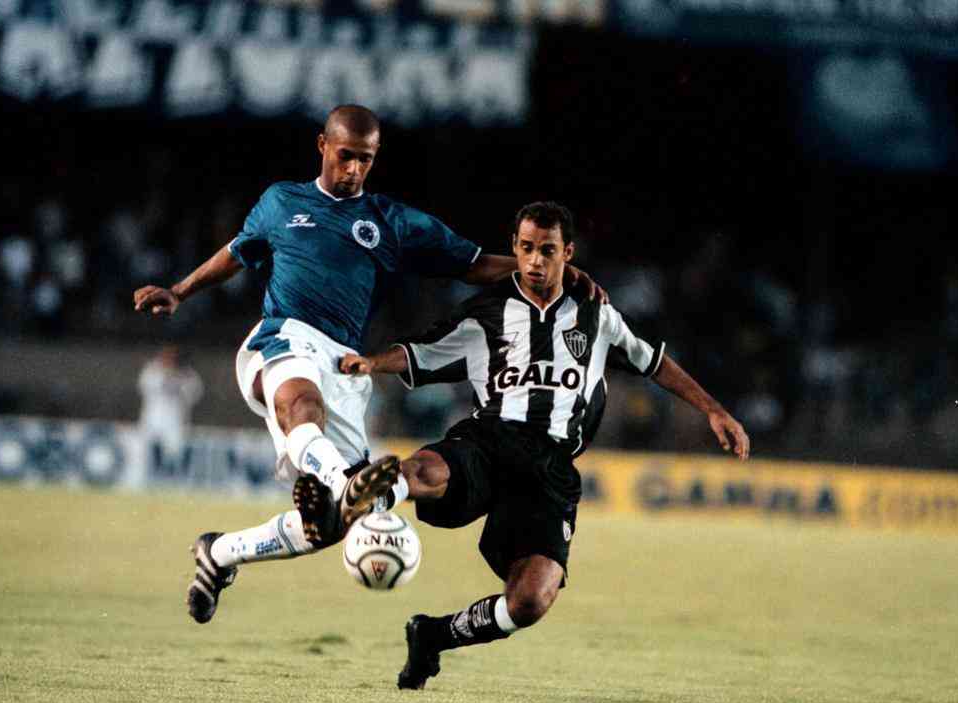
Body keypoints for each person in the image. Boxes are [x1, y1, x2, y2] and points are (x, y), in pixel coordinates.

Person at [132, 105, 605, 625]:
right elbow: (237, 252)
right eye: (345, 156)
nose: (354, 169)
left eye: (365, 159)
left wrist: (545, 267)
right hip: (284, 336)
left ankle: (219, 554)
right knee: (300, 405)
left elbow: (471, 265)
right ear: (322, 147)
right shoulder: (281, 202)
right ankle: (341, 481)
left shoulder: (391, 221)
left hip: (345, 365)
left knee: (328, 527)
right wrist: (179, 291)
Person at [339, 201, 750, 689]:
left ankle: (433, 636)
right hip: (489, 439)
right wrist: (371, 363)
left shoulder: (597, 315)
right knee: (424, 472)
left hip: (550, 467)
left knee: (530, 602)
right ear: (514, 249)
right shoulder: (486, 311)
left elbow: (654, 362)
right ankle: (368, 497)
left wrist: (713, 409)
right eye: (527, 249)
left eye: (547, 251)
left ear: (567, 253)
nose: (535, 261)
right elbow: (420, 353)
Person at [137, 344, 203, 456]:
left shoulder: (188, 374)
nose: (170, 358)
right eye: (167, 354)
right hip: (152, 420)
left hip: (175, 423)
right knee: (145, 454)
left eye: (173, 355)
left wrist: (179, 380)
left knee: (174, 455)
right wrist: (166, 376)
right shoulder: (151, 370)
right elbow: (144, 387)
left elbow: (195, 393)